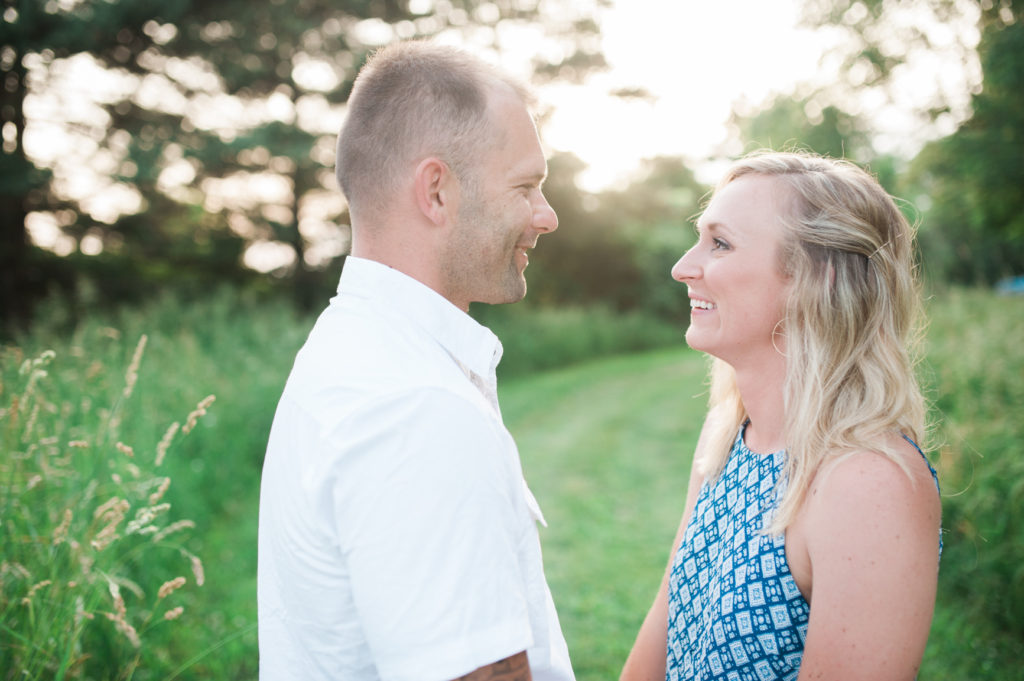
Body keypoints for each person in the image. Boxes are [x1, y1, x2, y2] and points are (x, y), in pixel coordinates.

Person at [257, 40, 574, 681]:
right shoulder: (414, 405)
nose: (548, 216)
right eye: (526, 186)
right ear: (436, 191)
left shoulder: (354, 347)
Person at [620, 150, 942, 681]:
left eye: (719, 244)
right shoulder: (727, 434)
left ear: (817, 278)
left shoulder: (868, 480)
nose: (682, 268)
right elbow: (668, 616)